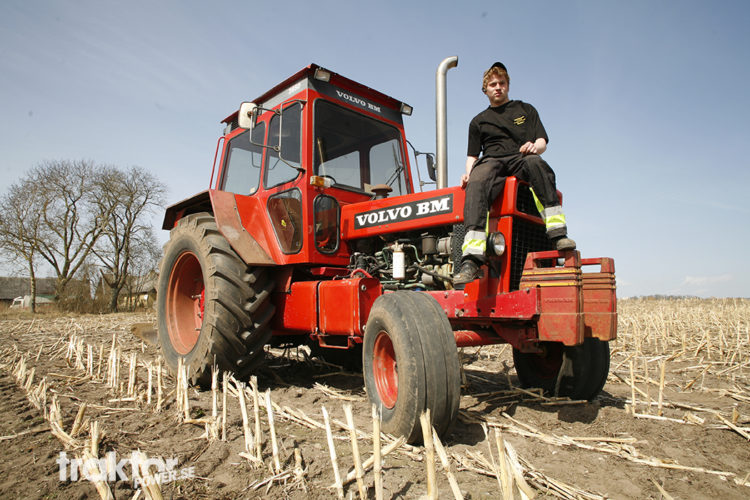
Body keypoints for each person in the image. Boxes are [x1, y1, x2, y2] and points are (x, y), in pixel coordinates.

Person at [453, 62, 576, 288]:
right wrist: (468, 174)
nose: (498, 87)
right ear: (485, 89)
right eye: (493, 84)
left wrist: (535, 147)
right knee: (477, 182)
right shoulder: (478, 121)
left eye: (501, 83)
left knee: (539, 166)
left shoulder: (525, 109)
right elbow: (472, 155)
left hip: (521, 155)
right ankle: (471, 259)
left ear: (508, 85)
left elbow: (542, 140)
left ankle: (558, 235)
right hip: (492, 160)